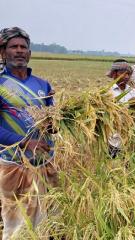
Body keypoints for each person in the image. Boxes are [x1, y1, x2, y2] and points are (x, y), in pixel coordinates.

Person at [0, 27, 58, 239]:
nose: (19, 51)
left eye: (23, 47)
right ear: (3, 52)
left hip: (45, 162)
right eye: (13, 46)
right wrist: (24, 142)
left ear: (30, 53)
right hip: (14, 166)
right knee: (17, 225)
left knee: (47, 222)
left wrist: (58, 122)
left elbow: (53, 123)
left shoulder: (42, 85)